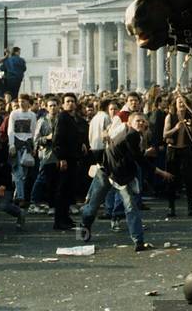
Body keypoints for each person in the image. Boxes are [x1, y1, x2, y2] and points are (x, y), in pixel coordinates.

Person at [79, 112, 173, 250]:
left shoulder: (133, 135)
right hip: (110, 174)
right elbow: (139, 159)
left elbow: (130, 154)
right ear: (129, 123)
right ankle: (138, 241)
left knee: (122, 207)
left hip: (114, 173)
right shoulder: (132, 135)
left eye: (142, 121)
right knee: (99, 206)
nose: (140, 123)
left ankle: (138, 242)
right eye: (137, 121)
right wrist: (160, 172)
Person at [163, 95, 192, 217]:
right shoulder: (170, 116)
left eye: (184, 102)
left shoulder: (191, 117)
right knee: (171, 179)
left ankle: (190, 206)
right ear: (175, 104)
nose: (182, 104)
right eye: (179, 102)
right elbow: (165, 134)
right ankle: (171, 207)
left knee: (189, 179)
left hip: (186, 150)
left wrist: (191, 127)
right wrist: (175, 128)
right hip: (173, 151)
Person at [49, 92, 82, 230]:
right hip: (65, 158)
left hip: (72, 157)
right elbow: (58, 139)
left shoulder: (71, 118)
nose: (70, 103)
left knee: (68, 190)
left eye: (73, 101)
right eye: (67, 101)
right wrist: (61, 158)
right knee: (62, 190)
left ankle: (65, 218)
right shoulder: (62, 117)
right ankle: (59, 221)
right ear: (63, 104)